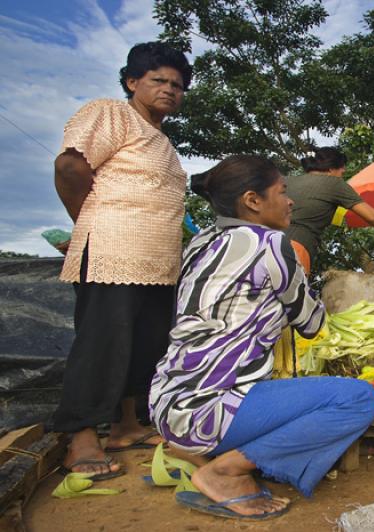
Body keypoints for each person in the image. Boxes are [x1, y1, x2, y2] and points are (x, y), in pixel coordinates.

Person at [151, 155, 374, 519]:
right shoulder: (270, 243)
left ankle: (195, 451)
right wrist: (302, 280)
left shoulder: (201, 242)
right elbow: (311, 324)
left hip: (168, 403)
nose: (291, 202)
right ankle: (226, 472)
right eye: (283, 192)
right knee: (358, 398)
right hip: (210, 410)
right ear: (252, 201)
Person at [52, 42, 192, 480]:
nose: (170, 89)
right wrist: (88, 224)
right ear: (132, 82)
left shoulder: (162, 140)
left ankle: (125, 427)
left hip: (157, 261)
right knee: (103, 344)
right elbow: (71, 168)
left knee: (146, 343)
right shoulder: (111, 113)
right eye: (158, 80)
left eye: (177, 84)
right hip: (113, 251)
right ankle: (80, 438)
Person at [283, 147, 374, 272]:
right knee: (289, 298)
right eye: (342, 168)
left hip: (264, 242)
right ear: (331, 169)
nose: (344, 171)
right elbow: (373, 217)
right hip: (295, 248)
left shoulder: (286, 181)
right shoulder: (334, 183)